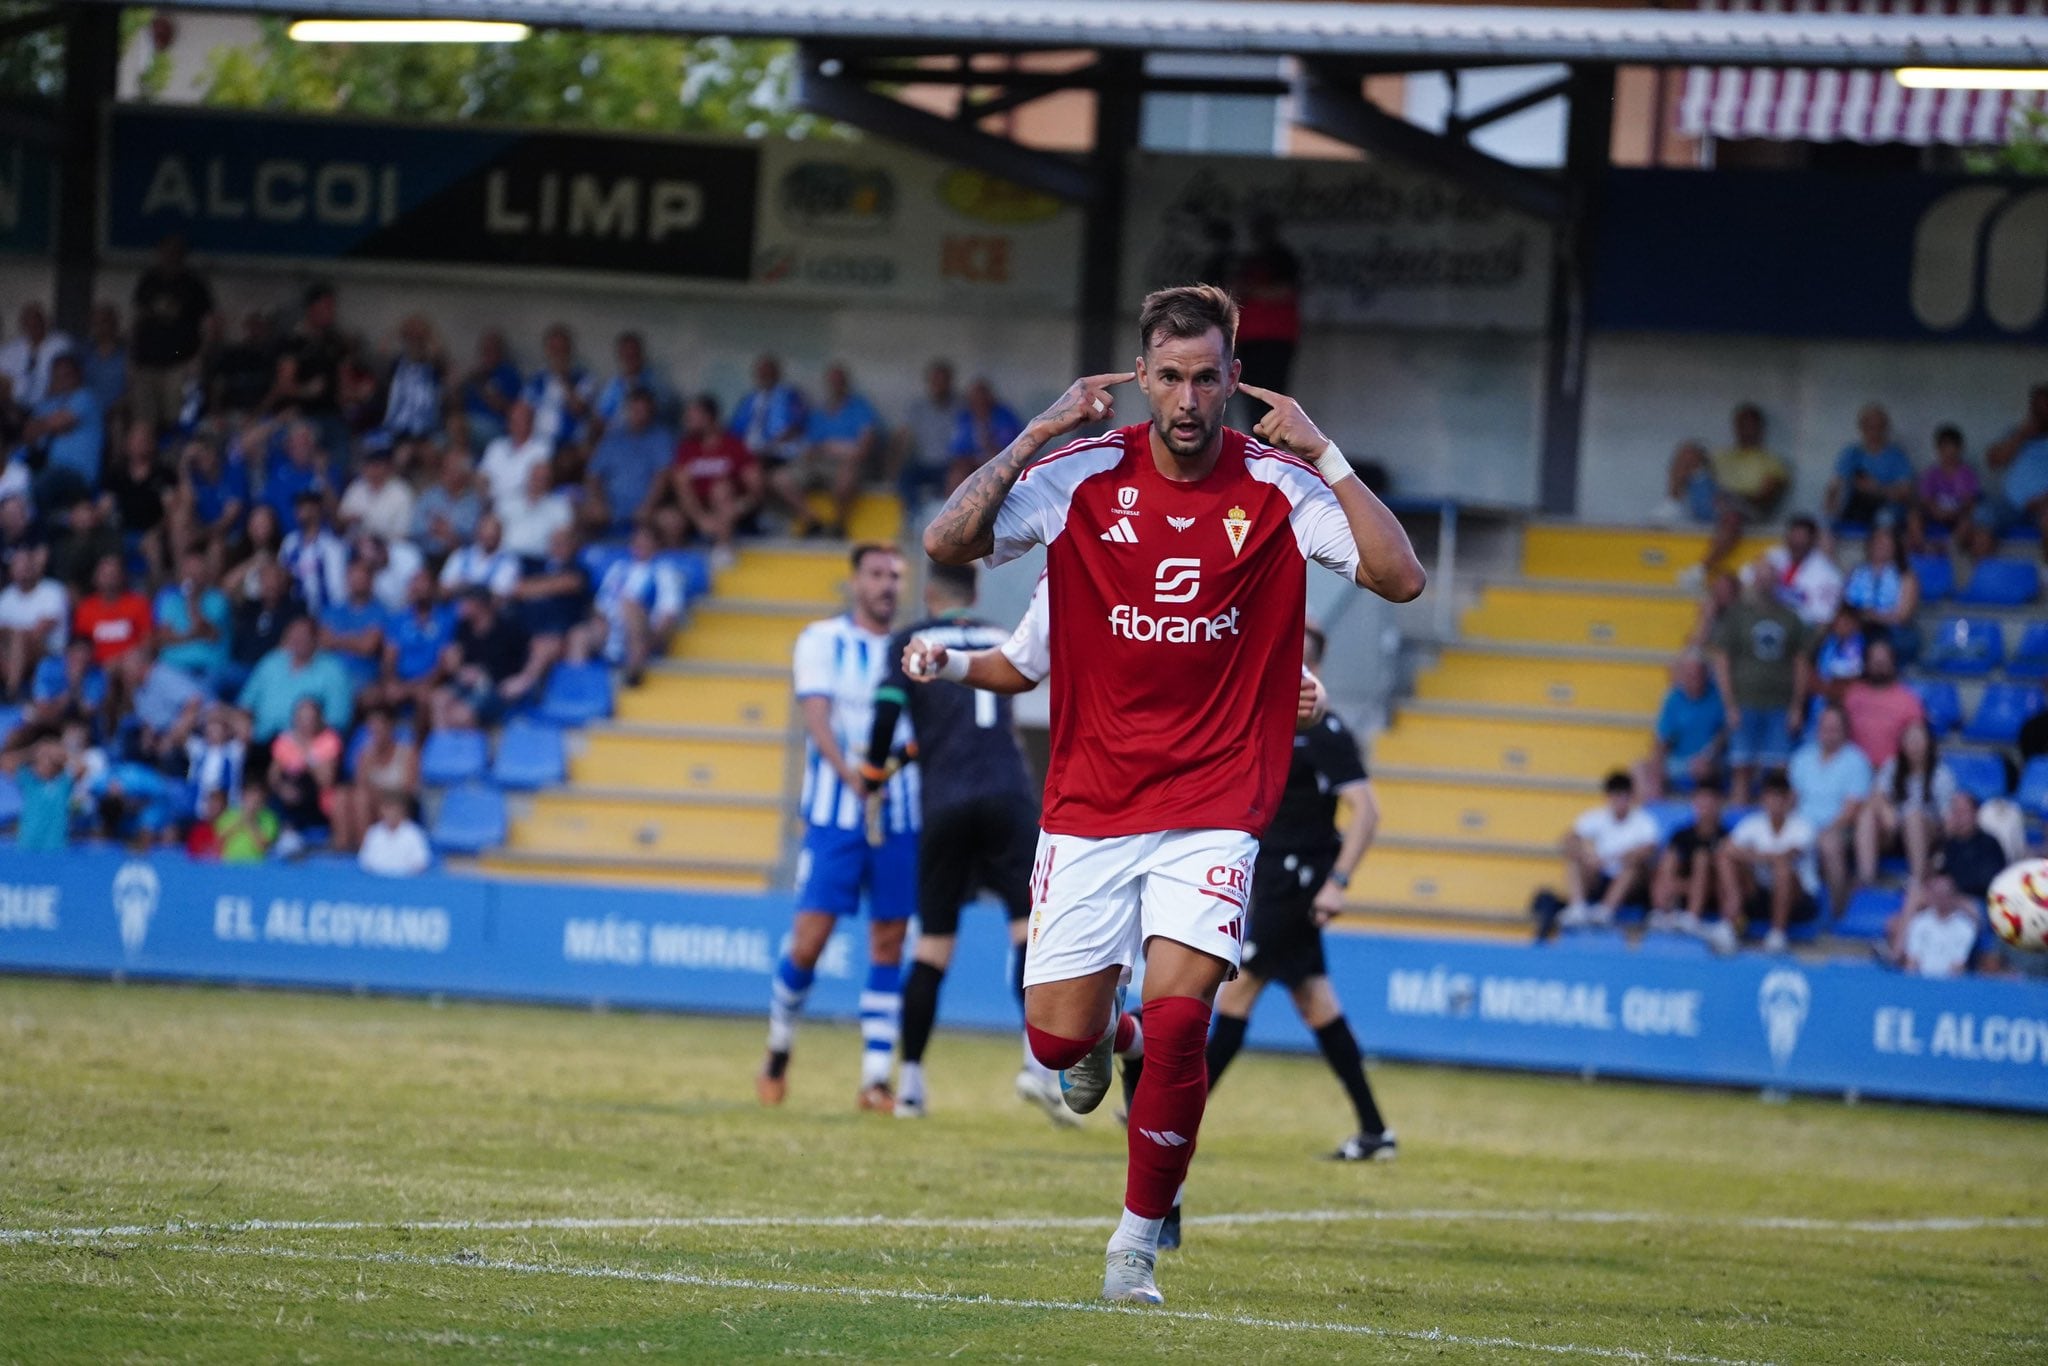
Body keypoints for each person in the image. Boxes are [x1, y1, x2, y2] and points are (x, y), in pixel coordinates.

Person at [921, 283, 1424, 1306]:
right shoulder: (1080, 475)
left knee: (1187, 1016)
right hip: (1090, 803)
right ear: (1141, 378)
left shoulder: (1279, 484)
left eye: (1206, 377)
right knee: (1057, 1040)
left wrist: (1326, 453)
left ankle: (1133, 1243)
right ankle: (1107, 1032)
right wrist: (1035, 430)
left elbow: (1399, 577)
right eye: (1169, 376)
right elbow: (946, 544)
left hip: (1214, 802)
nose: (1188, 398)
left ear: (1232, 379)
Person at [855, 561, 1048, 1122]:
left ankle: (911, 1084)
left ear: (929, 592)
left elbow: (889, 710)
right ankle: (1036, 1064)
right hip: (1009, 797)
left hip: (944, 802)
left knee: (933, 946)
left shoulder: (912, 641)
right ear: (977, 589)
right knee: (1026, 934)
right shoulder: (1000, 636)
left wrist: (872, 772)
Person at [1202, 622, 1393, 1165]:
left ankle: (1171, 1113)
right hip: (1275, 880)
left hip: (1300, 885)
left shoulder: (1325, 731)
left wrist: (1337, 882)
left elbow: (1368, 812)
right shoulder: (1268, 723)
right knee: (1315, 1004)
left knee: (1234, 995)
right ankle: (1375, 1130)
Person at [759, 544, 916, 1114]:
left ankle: (876, 1079)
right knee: (810, 942)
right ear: (855, 582)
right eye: (876, 574)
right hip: (834, 816)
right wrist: (856, 779)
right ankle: (779, 1047)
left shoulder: (912, 649)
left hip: (901, 819)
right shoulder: (822, 640)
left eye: (895, 576)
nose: (886, 585)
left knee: (889, 943)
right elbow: (817, 715)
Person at [1710, 574, 1811, 804]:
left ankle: (1774, 828)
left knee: (1779, 771)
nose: (1765, 583)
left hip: (1780, 705)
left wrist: (1796, 706)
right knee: (1741, 768)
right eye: (1761, 578)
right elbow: (1722, 660)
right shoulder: (1738, 617)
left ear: (1777, 583)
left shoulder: (1791, 618)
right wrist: (1730, 705)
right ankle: (1741, 824)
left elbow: (1801, 663)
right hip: (1744, 703)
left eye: (1769, 578)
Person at [1712, 770, 1819, 954]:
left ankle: (1777, 934)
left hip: (1798, 899)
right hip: (1759, 892)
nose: (1775, 804)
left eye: (1780, 798)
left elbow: (1788, 855)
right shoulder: (1753, 823)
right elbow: (1725, 848)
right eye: (1770, 797)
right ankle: (1730, 920)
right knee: (1725, 859)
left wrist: (1753, 855)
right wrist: (1756, 857)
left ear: (1788, 801)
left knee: (1782, 868)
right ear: (1763, 799)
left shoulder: (1803, 826)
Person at [1787, 704, 1873, 917]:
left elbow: (1852, 809)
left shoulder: (1857, 761)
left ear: (1845, 730)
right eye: (1825, 727)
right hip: (1802, 824)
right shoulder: (1802, 757)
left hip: (1838, 826)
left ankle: (1837, 910)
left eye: (1835, 728)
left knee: (1829, 844)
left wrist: (1824, 830)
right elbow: (1792, 799)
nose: (1829, 733)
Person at [1853, 717, 1955, 892]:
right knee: (1867, 814)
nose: (1914, 745)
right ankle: (1866, 878)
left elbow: (1947, 821)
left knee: (1912, 814)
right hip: (1894, 830)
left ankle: (1917, 881)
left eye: (1918, 740)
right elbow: (1876, 795)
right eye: (1909, 740)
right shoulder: (1892, 766)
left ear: (1928, 743)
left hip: (1926, 832)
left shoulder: (1941, 775)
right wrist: (1886, 810)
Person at [129, 235, 215, 434]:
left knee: (178, 419)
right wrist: (130, 358)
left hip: (180, 363)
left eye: (175, 252)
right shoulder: (148, 281)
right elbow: (136, 321)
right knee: (144, 420)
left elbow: (209, 325)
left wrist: (198, 358)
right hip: (146, 362)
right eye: (166, 251)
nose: (170, 256)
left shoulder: (194, 284)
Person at [661, 395, 760, 564]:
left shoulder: (734, 445)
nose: (687, 420)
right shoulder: (686, 448)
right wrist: (700, 518)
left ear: (708, 418)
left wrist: (743, 504)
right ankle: (676, 564)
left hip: (730, 508)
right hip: (695, 511)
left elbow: (756, 485)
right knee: (668, 518)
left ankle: (723, 551)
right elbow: (681, 484)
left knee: (720, 490)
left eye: (692, 416)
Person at [1557, 771, 1661, 929]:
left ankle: (1606, 911)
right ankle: (1577, 908)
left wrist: (1625, 856)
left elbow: (1650, 849)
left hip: (1629, 882)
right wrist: (1587, 856)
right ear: (1608, 796)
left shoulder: (1643, 820)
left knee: (1632, 866)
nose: (1619, 800)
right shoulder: (1595, 817)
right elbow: (1569, 839)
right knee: (1574, 860)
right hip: (1599, 875)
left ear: (1631, 797)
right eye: (1615, 795)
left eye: (1623, 795)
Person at [582, 523, 683, 687]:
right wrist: (600, 617)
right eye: (636, 540)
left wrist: (651, 640)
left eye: (645, 540)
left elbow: (669, 613)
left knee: (631, 609)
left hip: (646, 632)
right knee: (578, 635)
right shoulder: (619, 568)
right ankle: (582, 687)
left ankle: (632, 674)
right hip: (611, 626)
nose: (639, 544)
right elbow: (601, 601)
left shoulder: (665, 572)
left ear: (656, 544)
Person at [431, 587, 547, 729]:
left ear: (480, 605)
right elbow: (455, 664)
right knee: (438, 699)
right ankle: (444, 748)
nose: (459, 606)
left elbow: (540, 648)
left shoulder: (507, 626)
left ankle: (471, 748)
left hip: (499, 689)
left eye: (464, 602)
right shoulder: (462, 628)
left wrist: (524, 678)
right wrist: (459, 670)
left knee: (460, 715)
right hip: (470, 685)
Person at [1698, 403, 1792, 573]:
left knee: (1732, 516)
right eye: (1741, 424)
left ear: (1760, 428)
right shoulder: (1721, 455)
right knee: (1690, 453)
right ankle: (1671, 505)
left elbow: (1765, 497)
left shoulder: (1772, 461)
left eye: (1750, 425)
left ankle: (1702, 569)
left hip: (1748, 510)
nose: (1745, 429)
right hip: (1714, 503)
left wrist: (1732, 498)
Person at [237, 615, 354, 743]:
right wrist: (243, 722)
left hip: (303, 745)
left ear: (315, 639)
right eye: (293, 635)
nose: (297, 640)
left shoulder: (333, 670)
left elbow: (337, 721)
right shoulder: (272, 661)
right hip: (260, 738)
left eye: (303, 635)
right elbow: (246, 703)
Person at [799, 363, 882, 538]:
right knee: (779, 478)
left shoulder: (860, 407)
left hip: (850, 463)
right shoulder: (819, 411)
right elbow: (809, 448)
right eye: (832, 382)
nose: (836, 385)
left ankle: (838, 525)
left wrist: (833, 447)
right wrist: (828, 448)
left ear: (846, 383)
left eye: (839, 381)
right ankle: (813, 521)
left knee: (846, 475)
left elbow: (863, 448)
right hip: (820, 463)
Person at [729, 353, 810, 531]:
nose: (763, 375)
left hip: (781, 453)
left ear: (777, 373)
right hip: (753, 453)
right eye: (760, 372)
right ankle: (747, 520)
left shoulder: (791, 395)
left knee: (756, 472)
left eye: (768, 371)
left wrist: (768, 446)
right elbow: (735, 430)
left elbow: (796, 426)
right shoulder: (749, 399)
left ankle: (777, 518)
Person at [19, 353, 104, 507]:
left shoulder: (85, 397)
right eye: (58, 375)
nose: (63, 379)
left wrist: (47, 425)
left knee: (40, 485)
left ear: (78, 374)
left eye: (68, 374)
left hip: (78, 476)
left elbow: (58, 423)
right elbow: (28, 433)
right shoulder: (50, 403)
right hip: (48, 469)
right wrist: (47, 424)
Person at [584, 388, 672, 537]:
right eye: (635, 410)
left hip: (647, 507)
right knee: (580, 514)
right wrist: (598, 501)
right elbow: (593, 475)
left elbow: (663, 477)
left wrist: (648, 505)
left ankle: (669, 560)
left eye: (643, 410)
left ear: (651, 411)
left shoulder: (661, 438)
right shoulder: (612, 437)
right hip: (610, 506)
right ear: (628, 410)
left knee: (671, 521)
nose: (639, 415)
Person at [1639, 652, 1724, 800]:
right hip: (1679, 761)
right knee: (1640, 769)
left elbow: (1725, 734)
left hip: (1712, 759)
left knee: (1703, 768)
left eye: (1698, 674)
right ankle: (1656, 812)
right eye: (1689, 675)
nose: (1694, 680)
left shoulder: (1718, 697)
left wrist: (1709, 755)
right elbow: (1662, 738)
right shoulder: (1673, 699)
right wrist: (1656, 764)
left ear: (1705, 675)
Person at [1647, 784, 1729, 935]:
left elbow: (1724, 880)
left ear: (1718, 804)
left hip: (1713, 891)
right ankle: (1660, 910)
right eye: (1701, 802)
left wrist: (1689, 886)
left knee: (1701, 858)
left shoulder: (1726, 837)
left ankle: (1692, 916)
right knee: (1668, 861)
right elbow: (1666, 869)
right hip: (1682, 887)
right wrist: (1680, 885)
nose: (1705, 807)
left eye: (1709, 802)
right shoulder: (1681, 834)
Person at [269, 696, 349, 844]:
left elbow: (326, 781)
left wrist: (306, 752)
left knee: (304, 781)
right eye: (302, 718)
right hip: (288, 794)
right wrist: (281, 789)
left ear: (319, 719)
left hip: (317, 796)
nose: (306, 723)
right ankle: (286, 833)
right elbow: (273, 776)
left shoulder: (329, 739)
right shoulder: (284, 740)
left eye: (310, 718)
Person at [1983, 382, 2048, 562]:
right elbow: (1993, 460)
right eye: (2036, 408)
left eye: (2045, 407)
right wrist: (2021, 436)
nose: (2041, 413)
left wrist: (2044, 500)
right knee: (1982, 516)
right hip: (2011, 504)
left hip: (2044, 506)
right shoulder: (2018, 432)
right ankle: (1983, 581)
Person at [151, 545, 231, 690]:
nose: (192, 575)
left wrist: (192, 600)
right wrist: (192, 635)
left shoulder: (218, 600)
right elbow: (164, 638)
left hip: (206, 668)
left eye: (197, 570)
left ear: (206, 574)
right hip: (172, 667)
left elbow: (206, 632)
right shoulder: (168, 600)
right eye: (188, 570)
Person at [1840, 638, 1924, 770]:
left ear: (1892, 663)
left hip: (1894, 773)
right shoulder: (1853, 695)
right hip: (1854, 771)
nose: (1879, 667)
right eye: (1875, 662)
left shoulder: (1908, 700)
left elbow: (1917, 741)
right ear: (1867, 664)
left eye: (1883, 662)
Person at [1826, 404, 1915, 529]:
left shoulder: (1897, 456)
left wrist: (1877, 489)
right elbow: (1834, 485)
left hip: (1886, 509)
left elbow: (1906, 493)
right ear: (1861, 428)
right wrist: (1831, 506)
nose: (1874, 431)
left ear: (1885, 428)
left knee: (1884, 519)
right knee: (1825, 523)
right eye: (1869, 427)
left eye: (1879, 427)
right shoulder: (1851, 453)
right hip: (1856, 508)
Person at [1842, 525, 1920, 663]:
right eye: (1877, 543)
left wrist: (1872, 616)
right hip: (1858, 627)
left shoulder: (1905, 577)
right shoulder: (1856, 572)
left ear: (1895, 548)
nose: (1880, 547)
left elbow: (1902, 617)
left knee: (1897, 641)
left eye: (1885, 544)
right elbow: (1844, 604)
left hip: (1891, 631)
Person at [1750, 515, 1842, 630]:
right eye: (1793, 536)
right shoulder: (1774, 556)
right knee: (1763, 571)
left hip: (1800, 630)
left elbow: (1823, 619)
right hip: (1767, 619)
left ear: (1812, 540)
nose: (1796, 542)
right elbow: (1744, 580)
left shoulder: (1828, 575)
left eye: (1802, 538)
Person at [0, 545, 67, 701]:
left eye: (27, 564)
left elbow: (40, 631)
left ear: (36, 567)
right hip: (10, 655)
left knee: (18, 637)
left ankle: (11, 691)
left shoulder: (53, 591)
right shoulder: (6, 597)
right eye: (18, 565)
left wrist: (11, 632)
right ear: (11, 570)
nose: (24, 569)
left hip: (49, 652)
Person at [894, 360, 960, 514]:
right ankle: (914, 518)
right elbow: (903, 436)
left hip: (949, 464)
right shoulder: (918, 407)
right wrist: (895, 463)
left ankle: (947, 522)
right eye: (935, 380)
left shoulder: (961, 407)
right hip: (922, 464)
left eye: (942, 380)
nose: (938, 384)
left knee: (957, 478)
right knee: (904, 477)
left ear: (949, 382)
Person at [1, 734, 83, 851]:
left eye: (49, 760)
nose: (45, 763)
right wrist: (32, 751)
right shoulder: (29, 781)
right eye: (42, 759)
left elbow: (82, 768)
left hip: (55, 846)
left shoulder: (63, 783)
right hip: (28, 844)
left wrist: (63, 754)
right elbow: (4, 762)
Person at [523, 323, 596, 451]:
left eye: (562, 349)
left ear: (570, 351)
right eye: (553, 349)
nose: (557, 354)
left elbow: (578, 409)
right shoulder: (537, 379)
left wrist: (563, 378)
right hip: (538, 442)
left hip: (568, 444)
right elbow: (524, 410)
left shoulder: (583, 378)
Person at [478, 400, 552, 519]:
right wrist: (485, 498)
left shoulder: (542, 449)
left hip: (521, 507)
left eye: (521, 420)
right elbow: (482, 477)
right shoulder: (496, 446)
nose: (516, 423)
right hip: (489, 504)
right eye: (513, 419)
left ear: (531, 422)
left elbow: (536, 483)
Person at [278, 492, 349, 613]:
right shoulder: (290, 542)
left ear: (317, 510)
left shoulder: (332, 543)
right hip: (296, 612)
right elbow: (281, 574)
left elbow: (337, 584)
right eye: (299, 507)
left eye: (306, 507)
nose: (301, 511)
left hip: (328, 611)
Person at [946, 378, 1021, 492]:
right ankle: (954, 508)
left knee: (997, 468)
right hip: (971, 463)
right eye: (975, 398)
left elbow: (1011, 448)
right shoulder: (965, 417)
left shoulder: (1004, 415)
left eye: (982, 397)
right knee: (957, 473)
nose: (980, 401)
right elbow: (958, 449)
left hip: (999, 461)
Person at [413, 445, 483, 561]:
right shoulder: (430, 496)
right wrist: (433, 527)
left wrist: (449, 530)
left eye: (452, 470)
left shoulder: (473, 501)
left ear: (464, 475)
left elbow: (472, 534)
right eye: (445, 469)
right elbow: (415, 528)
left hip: (459, 558)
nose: (446, 474)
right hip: (426, 556)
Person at [0, 302, 76, 409]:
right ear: (22, 325)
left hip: (52, 404)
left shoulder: (61, 343)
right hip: (16, 407)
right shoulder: (10, 349)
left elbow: (69, 378)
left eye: (36, 321)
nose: (32, 325)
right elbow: (3, 382)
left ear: (46, 322)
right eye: (28, 322)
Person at [595, 330, 674, 430]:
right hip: (618, 438)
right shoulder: (613, 384)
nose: (630, 357)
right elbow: (601, 416)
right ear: (620, 355)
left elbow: (665, 411)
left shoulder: (656, 382)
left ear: (641, 354)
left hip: (648, 436)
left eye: (634, 354)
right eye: (626, 354)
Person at [337, 445, 416, 545]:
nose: (372, 468)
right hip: (356, 546)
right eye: (369, 464)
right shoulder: (357, 486)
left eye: (377, 464)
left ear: (388, 467)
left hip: (389, 547)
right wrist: (348, 520)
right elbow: (340, 520)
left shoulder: (402, 492)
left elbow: (402, 534)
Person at [458, 329, 521, 448]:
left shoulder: (509, 374)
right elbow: (457, 403)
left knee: (459, 425)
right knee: (438, 440)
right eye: (484, 350)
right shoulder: (474, 373)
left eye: (492, 349)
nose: (487, 354)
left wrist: (482, 384)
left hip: (495, 426)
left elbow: (509, 410)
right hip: (467, 423)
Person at [438, 512, 520, 600]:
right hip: (456, 607)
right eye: (486, 532)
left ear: (500, 535)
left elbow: (498, 594)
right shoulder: (461, 555)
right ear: (478, 533)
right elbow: (444, 588)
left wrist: (463, 586)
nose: (489, 537)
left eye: (493, 534)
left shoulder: (509, 562)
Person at [358, 790, 431, 877]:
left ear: (402, 810)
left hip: (404, 883)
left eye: (394, 808)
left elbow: (421, 863)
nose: (390, 813)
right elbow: (365, 862)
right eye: (387, 808)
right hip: (377, 882)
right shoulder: (374, 832)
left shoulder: (414, 833)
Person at [215, 772, 278, 863]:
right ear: (243, 796)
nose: (254, 802)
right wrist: (240, 820)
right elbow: (218, 841)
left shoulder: (269, 818)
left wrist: (251, 822)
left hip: (254, 866)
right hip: (229, 865)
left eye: (258, 799)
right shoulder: (228, 814)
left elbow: (264, 847)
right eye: (251, 797)